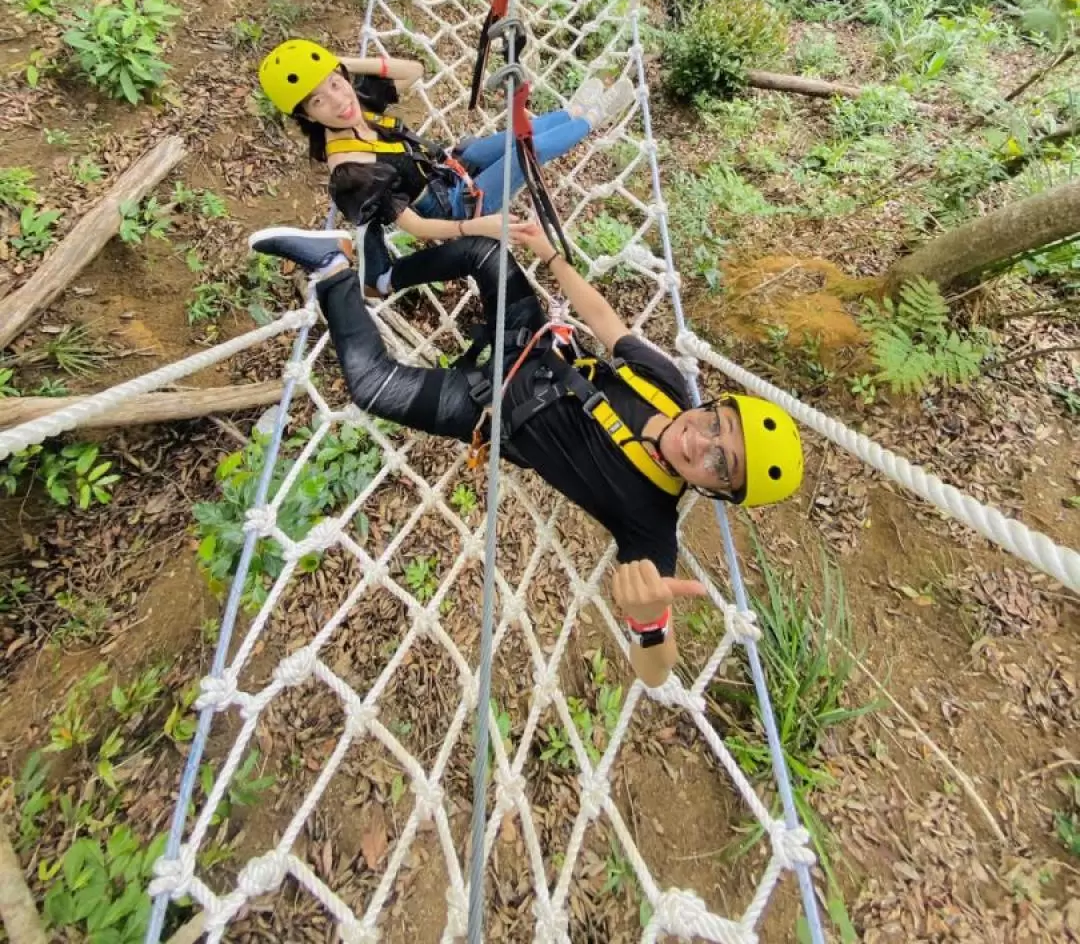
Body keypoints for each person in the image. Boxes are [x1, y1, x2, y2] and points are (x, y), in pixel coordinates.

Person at [247, 220, 805, 688]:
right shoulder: (667, 386)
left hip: (490, 408)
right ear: (710, 405)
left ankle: (334, 272)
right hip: (529, 341)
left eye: (721, 462)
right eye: (717, 422)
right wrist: (553, 259)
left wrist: (649, 620)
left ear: (719, 492)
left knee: (373, 386)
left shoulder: (649, 520)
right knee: (483, 253)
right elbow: (606, 322)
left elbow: (655, 672)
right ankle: (381, 275)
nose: (701, 440)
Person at [258, 38, 633, 290]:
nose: (339, 102)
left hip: (449, 166)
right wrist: (477, 224)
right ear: (307, 116)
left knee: (522, 130)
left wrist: (340, 65)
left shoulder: (354, 102)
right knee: (526, 150)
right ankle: (594, 118)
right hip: (457, 206)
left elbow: (413, 70)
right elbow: (418, 227)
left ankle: (573, 112)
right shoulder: (351, 171)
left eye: (335, 85)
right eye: (318, 101)